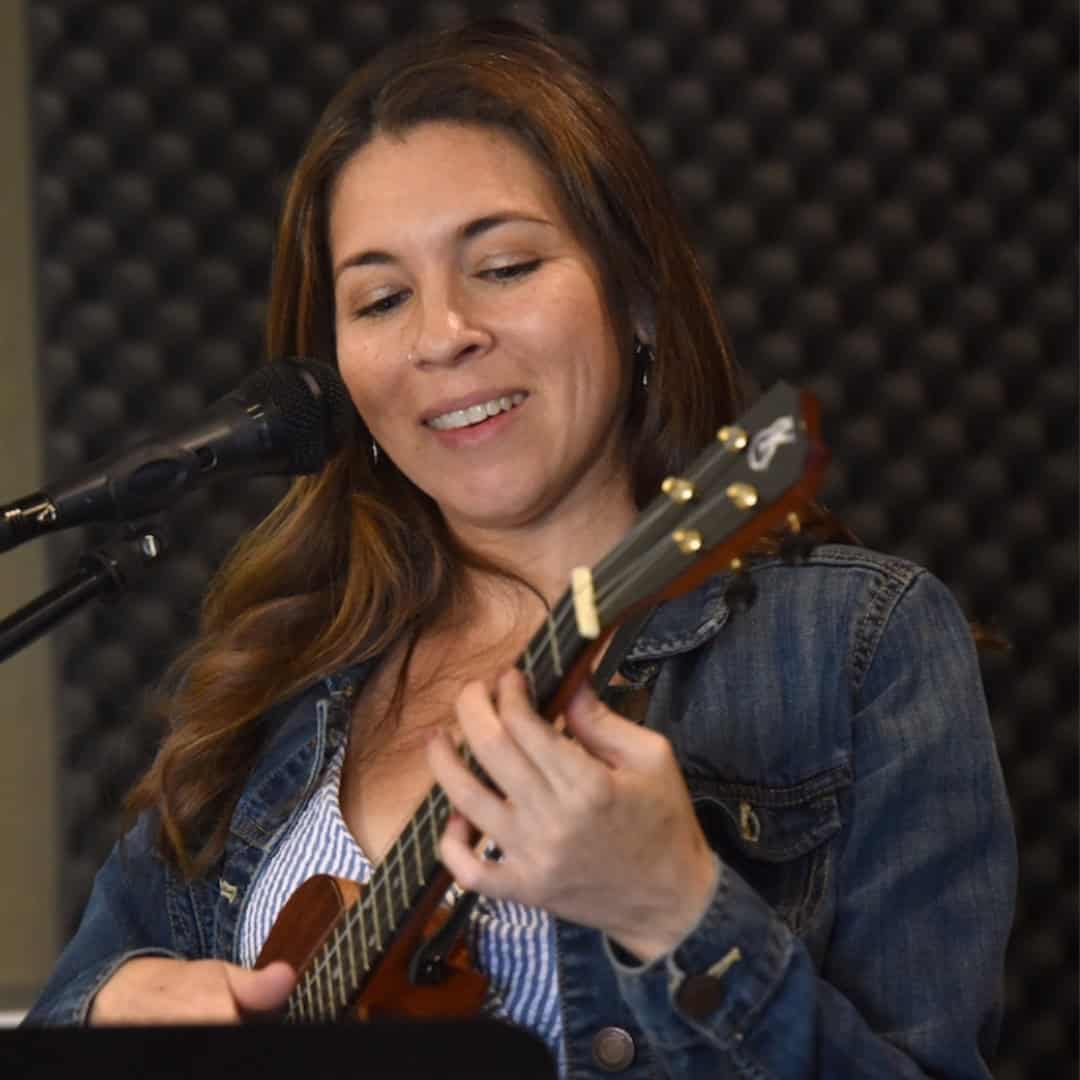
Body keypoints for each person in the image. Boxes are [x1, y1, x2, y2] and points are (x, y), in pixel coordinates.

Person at [25, 16, 1016, 1078]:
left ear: (636, 296)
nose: (442, 332)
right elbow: (70, 1006)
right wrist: (110, 1003)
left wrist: (675, 907)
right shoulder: (277, 675)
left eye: (502, 265)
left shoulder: (854, 648)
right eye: (382, 297)